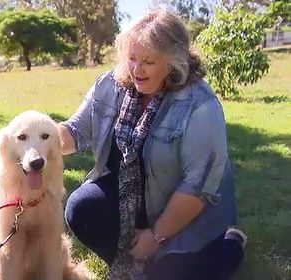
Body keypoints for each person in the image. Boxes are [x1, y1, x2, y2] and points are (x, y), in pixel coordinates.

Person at [58, 9, 247, 280]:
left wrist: (156, 236)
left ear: (173, 62)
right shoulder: (111, 84)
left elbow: (196, 189)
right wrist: (37, 136)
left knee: (189, 270)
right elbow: (75, 132)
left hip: (188, 210)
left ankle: (232, 243)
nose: (136, 69)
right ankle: (136, 266)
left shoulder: (201, 105)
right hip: (133, 199)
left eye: (147, 61)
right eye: (131, 59)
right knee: (81, 208)